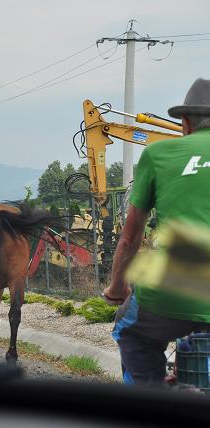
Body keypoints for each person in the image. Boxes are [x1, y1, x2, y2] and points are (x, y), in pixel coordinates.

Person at [103, 78, 210, 386]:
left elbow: (129, 238)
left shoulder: (159, 154)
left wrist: (116, 288)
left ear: (186, 122)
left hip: (173, 285)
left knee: (128, 329)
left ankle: (153, 401)